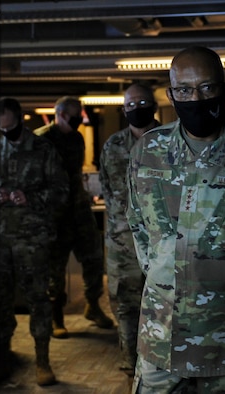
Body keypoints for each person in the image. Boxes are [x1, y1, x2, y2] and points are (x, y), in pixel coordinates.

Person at [125, 46, 225, 393]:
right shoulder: (148, 152)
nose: (194, 98)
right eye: (183, 90)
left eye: (206, 88)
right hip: (160, 340)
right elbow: (138, 226)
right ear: (170, 95)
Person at [0, 97, 69, 386]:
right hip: (0, 240)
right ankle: (4, 361)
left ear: (21, 120)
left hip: (33, 239)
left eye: (11, 129)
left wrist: (31, 198)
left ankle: (43, 362)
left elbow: (62, 191)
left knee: (38, 300)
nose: (6, 135)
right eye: (1, 130)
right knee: (0, 304)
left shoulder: (43, 149)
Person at [34, 96, 114, 338]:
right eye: (74, 116)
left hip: (78, 209)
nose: (79, 120)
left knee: (94, 257)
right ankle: (56, 317)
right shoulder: (41, 140)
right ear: (59, 114)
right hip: (53, 213)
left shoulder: (77, 137)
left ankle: (92, 305)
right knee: (55, 268)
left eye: (80, 114)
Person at [99, 83, 161, 376]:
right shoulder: (111, 146)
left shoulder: (170, 142)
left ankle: (157, 371)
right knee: (124, 307)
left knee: (161, 307)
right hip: (122, 245)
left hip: (160, 244)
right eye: (130, 105)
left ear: (154, 105)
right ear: (123, 110)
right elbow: (108, 190)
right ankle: (129, 369)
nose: (136, 109)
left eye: (142, 103)